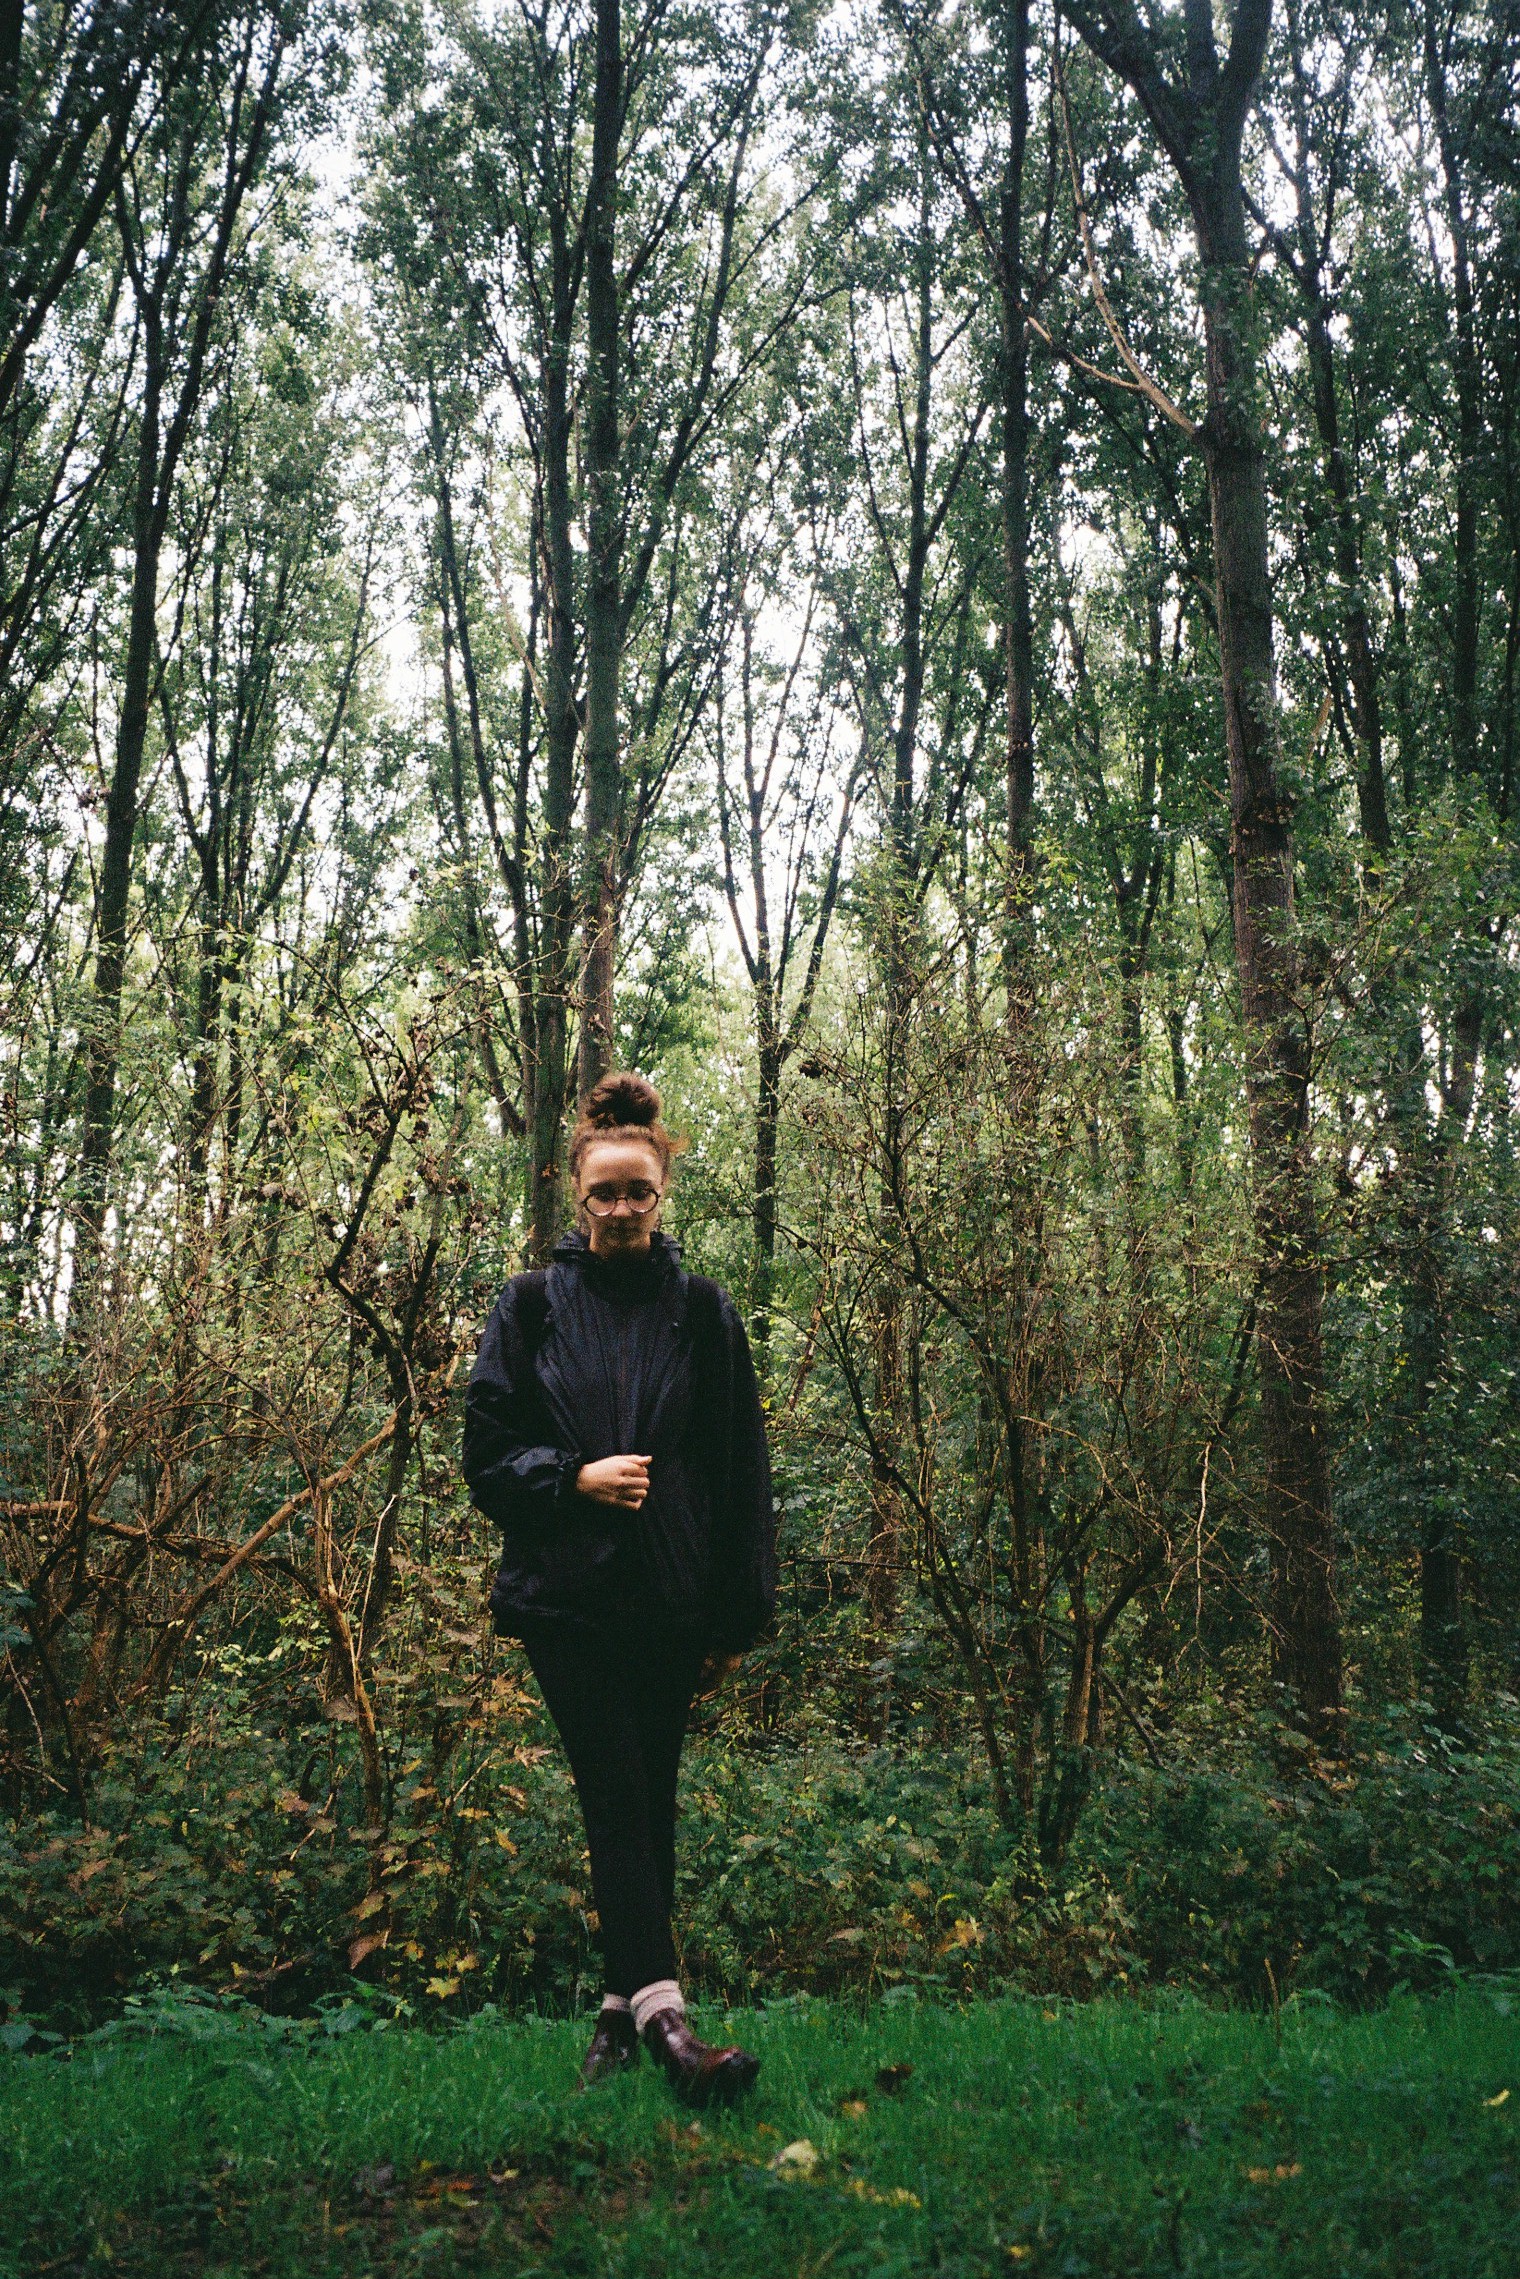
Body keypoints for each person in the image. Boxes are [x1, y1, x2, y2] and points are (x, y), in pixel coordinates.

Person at [463, 1072, 776, 2105]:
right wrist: (574, 1478)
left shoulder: (702, 1310)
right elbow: (485, 1458)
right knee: (613, 1789)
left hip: (673, 1595)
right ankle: (674, 2034)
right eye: (604, 1191)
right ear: (578, 1194)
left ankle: (617, 2015)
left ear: (661, 1193)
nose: (622, 1208)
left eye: (639, 1190)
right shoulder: (528, 1307)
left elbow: (739, 1468)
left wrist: (737, 1614)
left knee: (648, 1800)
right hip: (567, 1597)